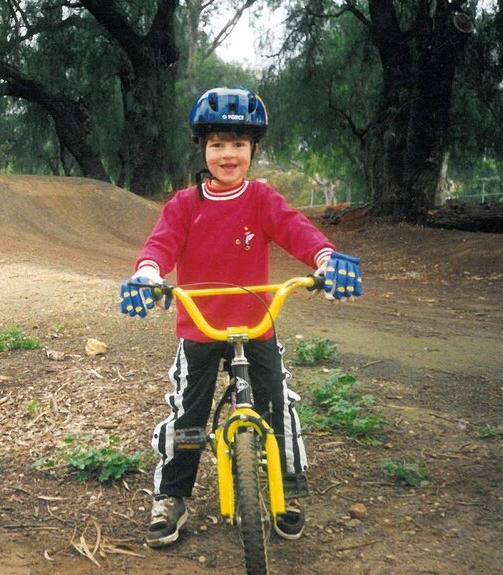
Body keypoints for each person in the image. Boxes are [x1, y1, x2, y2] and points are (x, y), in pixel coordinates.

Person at [119, 86, 362, 548]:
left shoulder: (262, 200)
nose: (227, 154)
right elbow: (160, 246)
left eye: (238, 145)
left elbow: (297, 230)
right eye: (217, 144)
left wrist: (326, 259)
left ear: (253, 150)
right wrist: (148, 274)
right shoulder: (185, 204)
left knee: (278, 405)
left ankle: (286, 487)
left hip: (257, 324)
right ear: (202, 149)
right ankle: (172, 496)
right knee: (187, 415)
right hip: (200, 327)